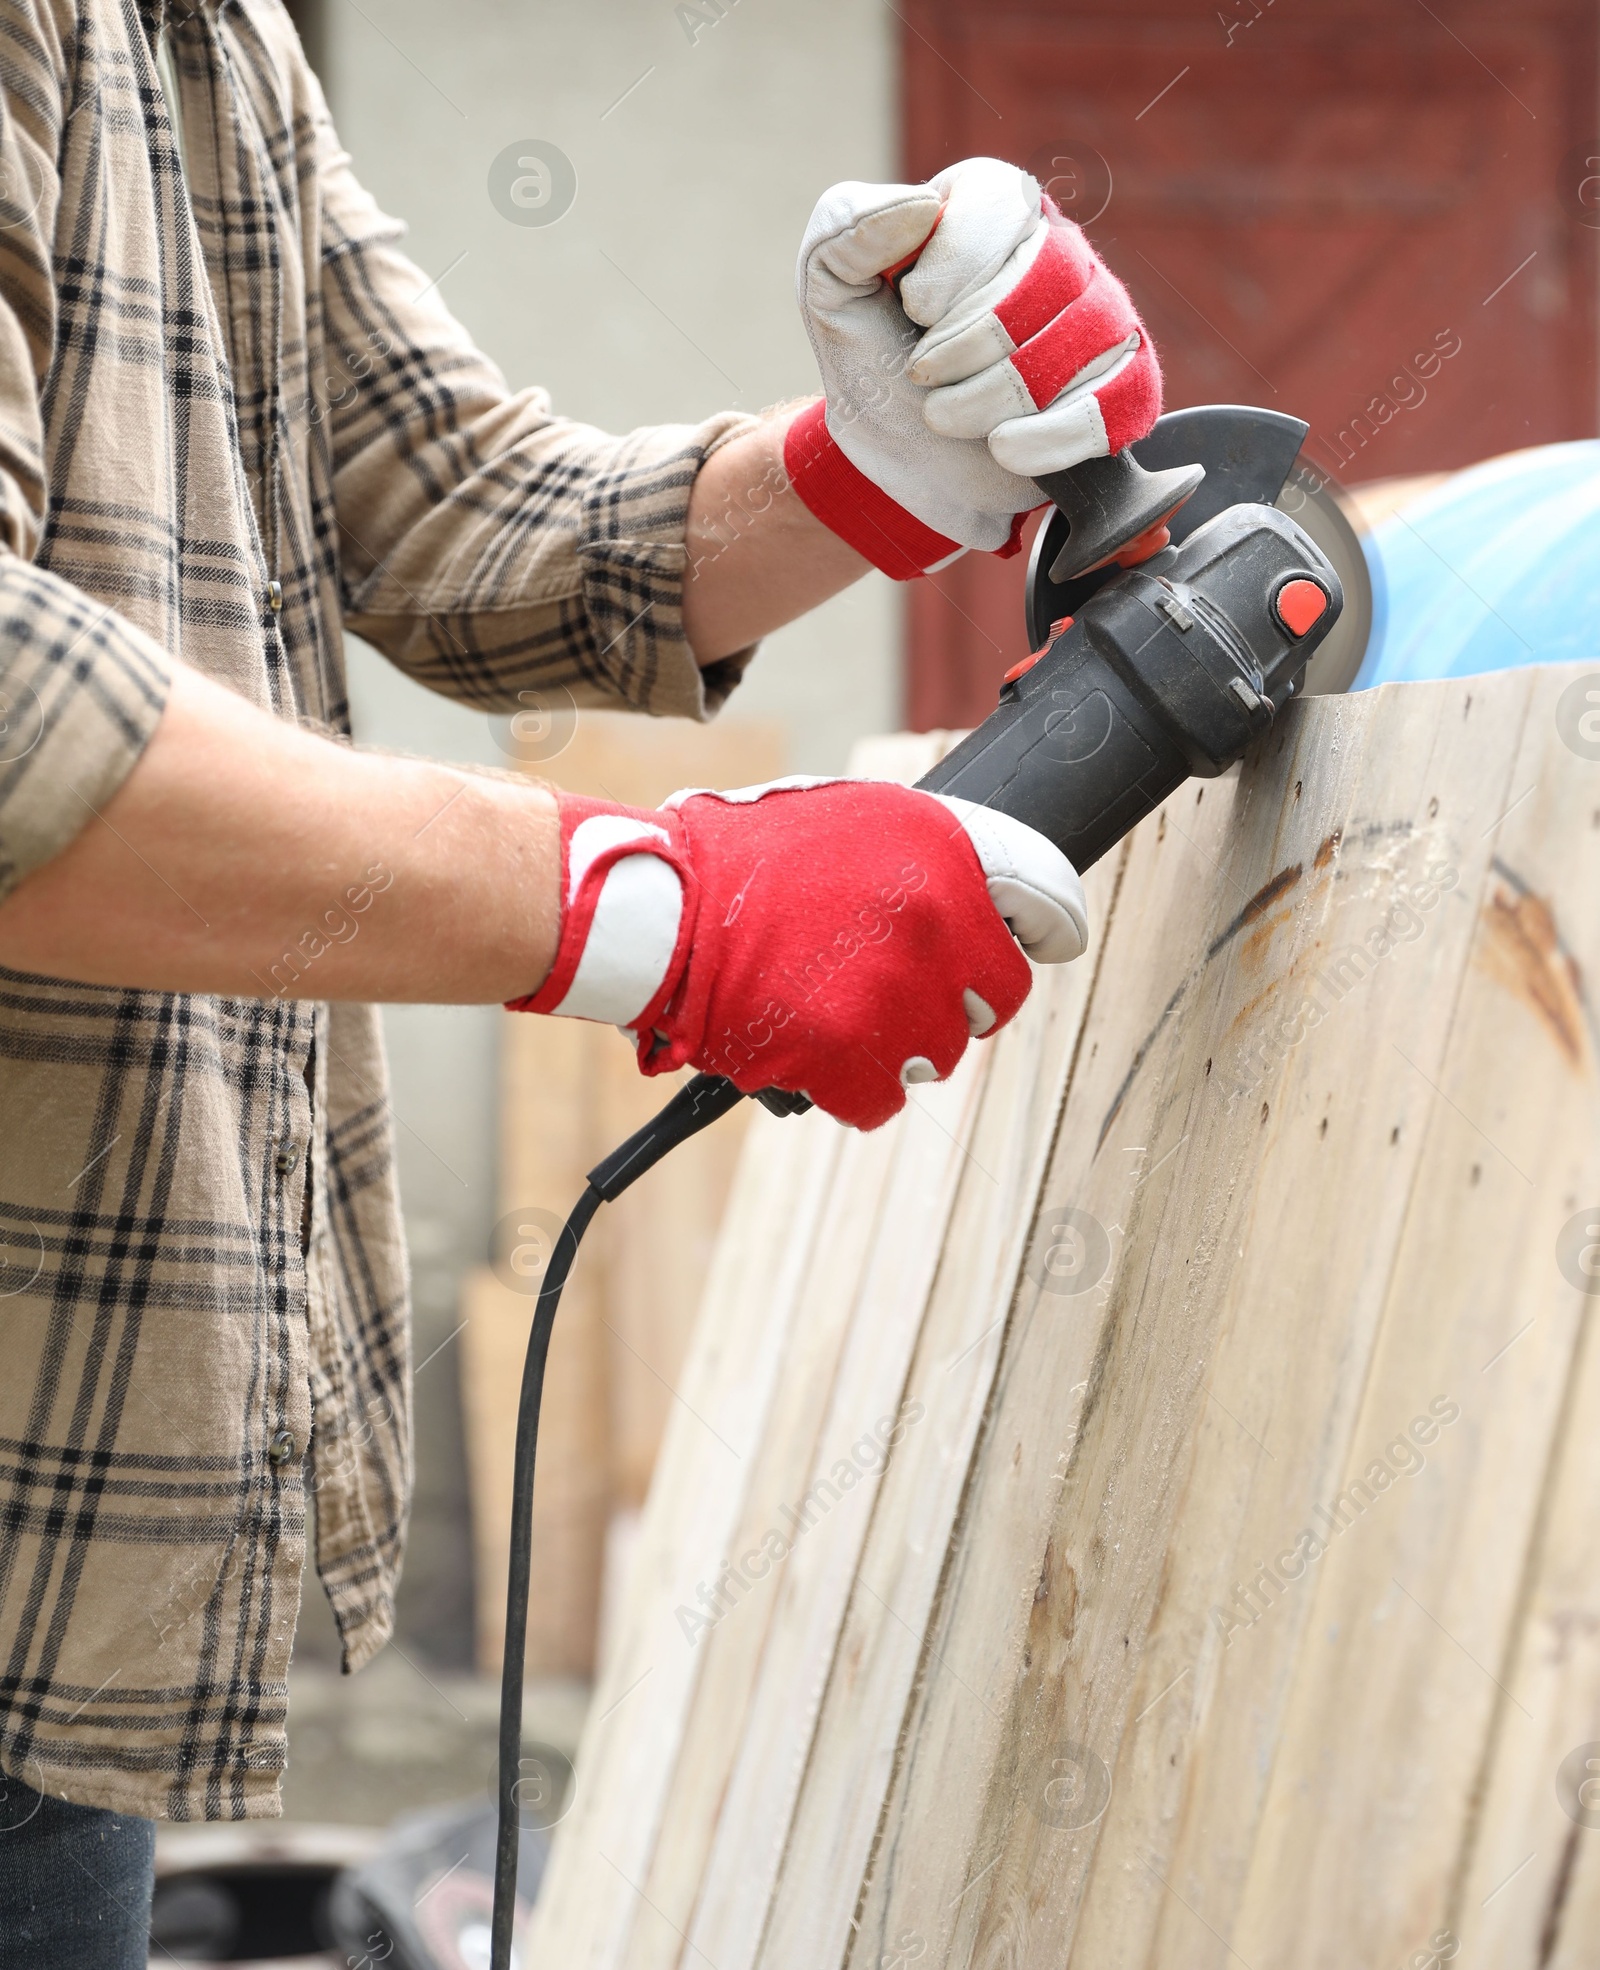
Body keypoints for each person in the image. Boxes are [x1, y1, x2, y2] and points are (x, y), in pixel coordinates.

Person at [0, 0, 1163, 1957]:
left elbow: (445, 494)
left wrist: (862, 467)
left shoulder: (189, 35)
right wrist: (661, 910)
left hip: (51, 1546)